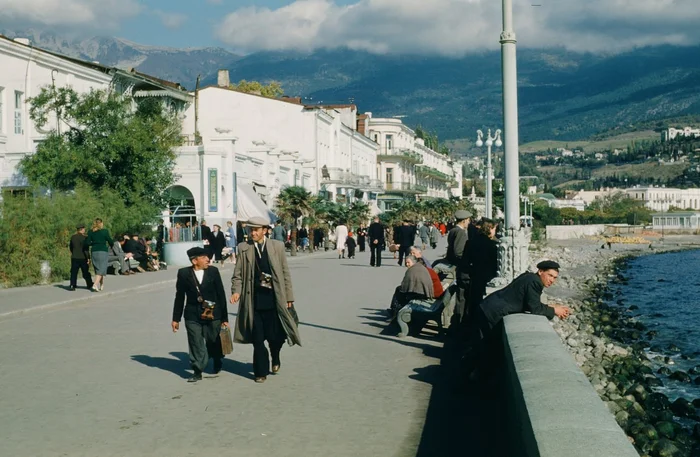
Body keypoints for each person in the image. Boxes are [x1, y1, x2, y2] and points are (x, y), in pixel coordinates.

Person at [465, 261, 571, 381]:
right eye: (550, 275)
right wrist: (554, 310)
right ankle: (468, 380)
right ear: (540, 271)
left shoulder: (529, 277)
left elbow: (527, 301)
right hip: (491, 313)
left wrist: (551, 307)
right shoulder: (535, 282)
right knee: (483, 350)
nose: (552, 280)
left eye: (555, 278)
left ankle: (470, 377)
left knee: (481, 347)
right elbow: (535, 308)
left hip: (488, 307)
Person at [230, 216, 301, 383]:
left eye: (256, 229)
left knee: (275, 337)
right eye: (250, 229)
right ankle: (260, 372)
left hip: (274, 300)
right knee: (258, 340)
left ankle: (275, 356)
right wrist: (236, 291)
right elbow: (237, 275)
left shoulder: (277, 246)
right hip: (253, 301)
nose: (252, 232)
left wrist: (289, 297)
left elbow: (285, 273)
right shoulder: (243, 248)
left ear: (265, 230)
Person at [171, 247, 229, 383]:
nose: (208, 260)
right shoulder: (184, 273)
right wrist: (176, 318)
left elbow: (221, 294)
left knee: (213, 340)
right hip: (192, 315)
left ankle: (217, 358)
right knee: (195, 342)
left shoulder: (213, 271)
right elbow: (179, 296)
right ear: (194, 260)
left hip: (213, 313)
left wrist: (224, 318)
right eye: (204, 257)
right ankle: (197, 370)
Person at [462, 218, 499, 318]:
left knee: (472, 304)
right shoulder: (492, 245)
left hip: (473, 277)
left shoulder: (470, 242)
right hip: (487, 278)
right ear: (490, 229)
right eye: (494, 229)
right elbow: (495, 265)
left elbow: (465, 262)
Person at [446, 210, 472, 327]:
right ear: (465, 220)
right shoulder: (461, 232)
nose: (469, 222)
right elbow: (459, 252)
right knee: (461, 298)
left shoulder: (453, 230)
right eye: (468, 220)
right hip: (460, 267)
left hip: (453, 264)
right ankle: (459, 323)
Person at [85, 218, 114, 292]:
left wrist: (94, 243)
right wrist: (111, 245)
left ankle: (101, 284)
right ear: (101, 223)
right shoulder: (104, 231)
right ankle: (95, 285)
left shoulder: (90, 232)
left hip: (94, 251)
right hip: (102, 251)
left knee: (98, 268)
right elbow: (110, 240)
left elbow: (87, 242)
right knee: (102, 268)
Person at [68, 224, 93, 291]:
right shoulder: (85, 238)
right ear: (81, 230)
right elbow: (86, 249)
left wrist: (73, 253)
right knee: (85, 272)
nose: (84, 230)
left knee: (74, 272)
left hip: (74, 257)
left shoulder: (73, 237)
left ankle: (72, 285)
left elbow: (70, 247)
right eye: (84, 229)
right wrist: (88, 258)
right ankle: (89, 284)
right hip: (83, 257)